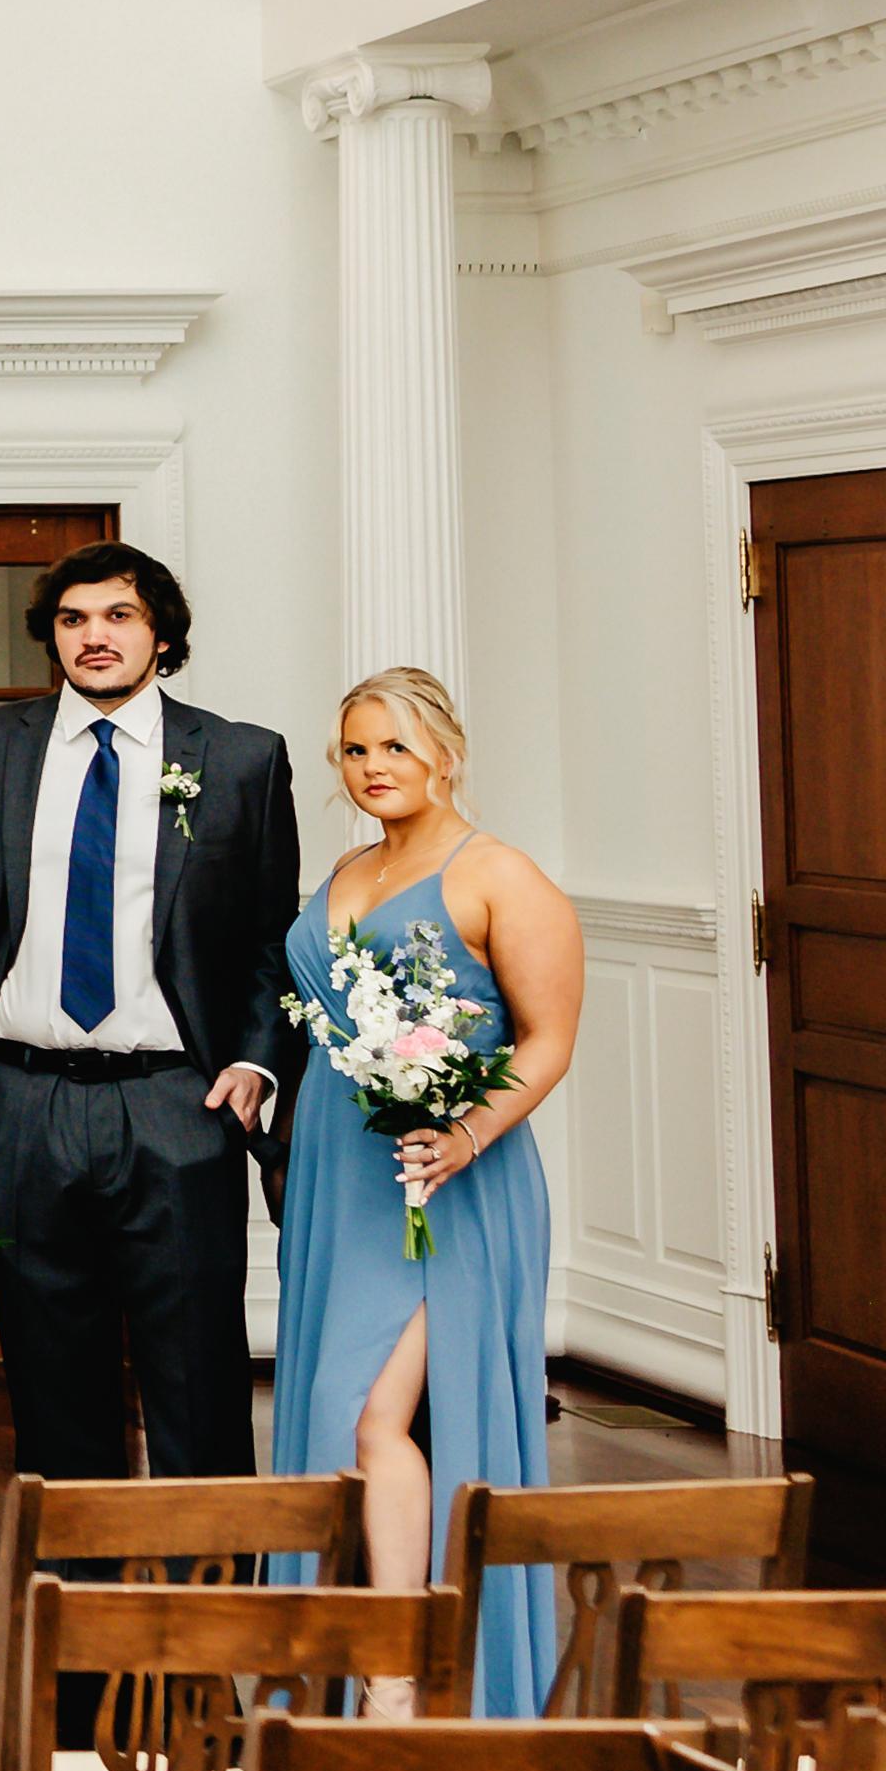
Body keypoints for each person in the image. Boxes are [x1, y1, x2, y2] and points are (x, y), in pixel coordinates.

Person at [0, 542, 300, 1485]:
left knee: (197, 1374)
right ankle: (75, 1572)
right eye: (72, 619)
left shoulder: (240, 757)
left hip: (178, 1101)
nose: (94, 636)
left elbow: (270, 937)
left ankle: (209, 1574)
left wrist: (252, 1062)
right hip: (18, 1102)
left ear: (160, 633)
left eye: (118, 615)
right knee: (49, 1379)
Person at [271, 669, 574, 1716]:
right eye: (355, 750)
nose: (372, 768)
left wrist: (462, 1134)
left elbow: (547, 1041)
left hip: (445, 1183)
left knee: (363, 1415)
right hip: (338, 1171)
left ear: (445, 752)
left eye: (394, 746)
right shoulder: (350, 867)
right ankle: (337, 1668)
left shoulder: (498, 874)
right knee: (332, 1419)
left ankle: (392, 1677)